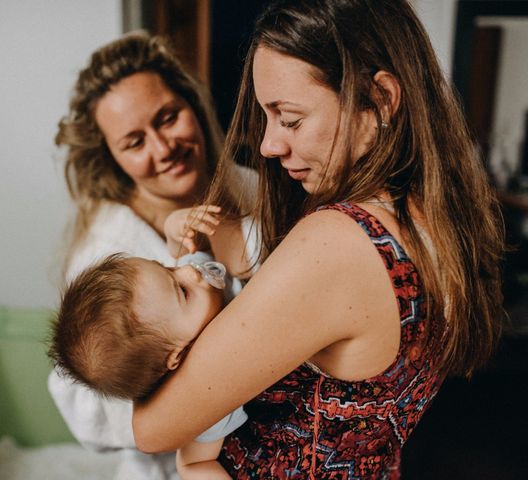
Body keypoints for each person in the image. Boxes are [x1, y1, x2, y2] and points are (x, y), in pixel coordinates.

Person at [132, 1, 505, 478]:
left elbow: (153, 428)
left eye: (289, 119)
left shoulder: (339, 243)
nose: (269, 145)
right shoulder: (433, 222)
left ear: (381, 100)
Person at [47, 31, 255, 478]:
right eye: (134, 142)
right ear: (111, 156)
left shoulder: (254, 189)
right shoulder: (106, 255)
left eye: (167, 117)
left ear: (193, 104)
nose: (163, 149)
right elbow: (91, 404)